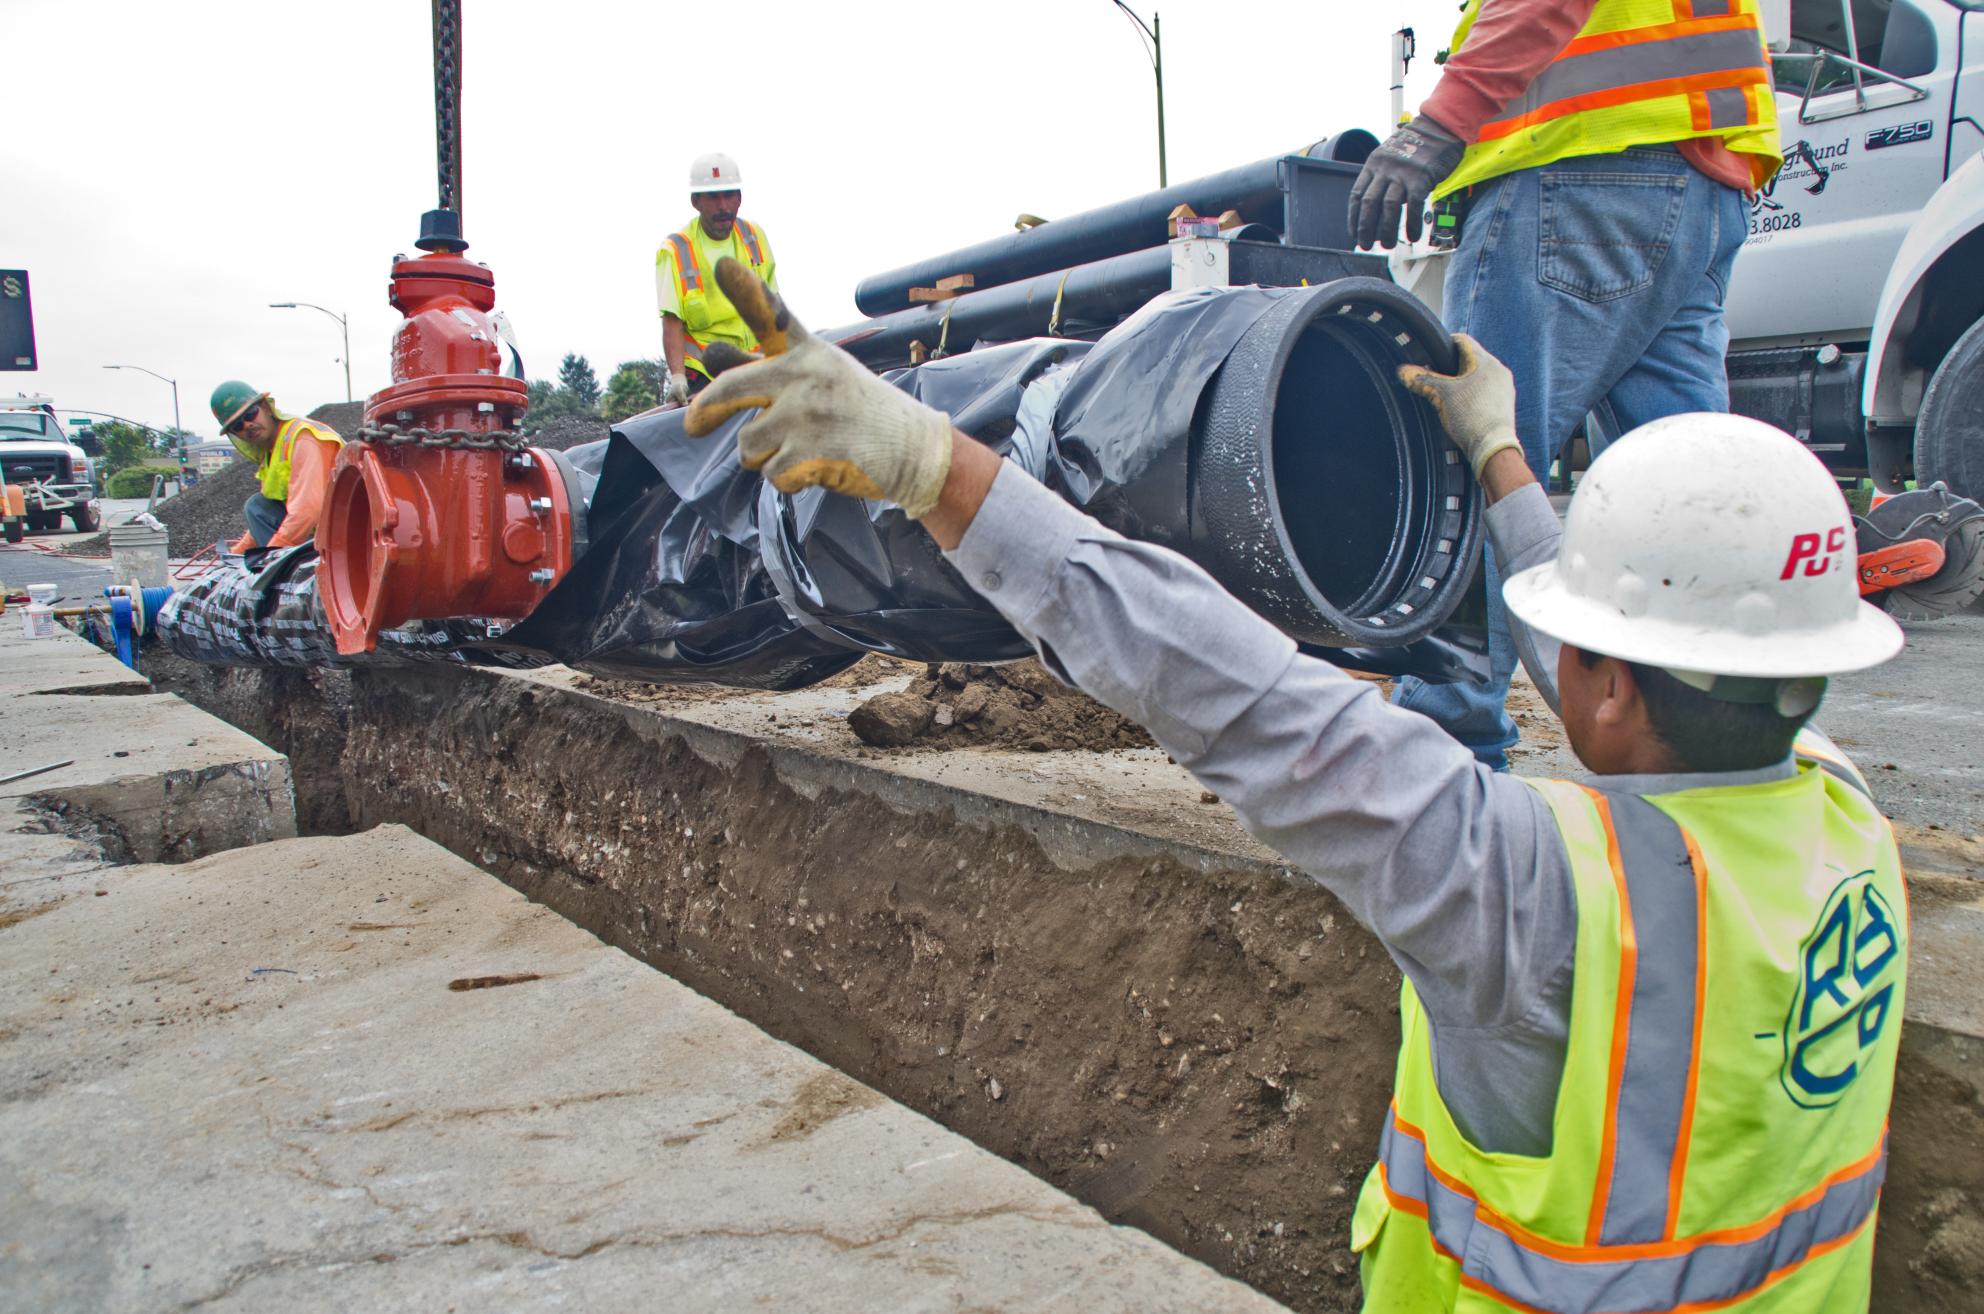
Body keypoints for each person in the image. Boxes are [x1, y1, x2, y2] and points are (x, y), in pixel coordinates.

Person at [685, 259, 1908, 1311]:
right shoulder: (1842, 813)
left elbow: (1221, 680)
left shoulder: (1527, 895)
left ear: (1605, 683)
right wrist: (1494, 455)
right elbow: (1628, 669)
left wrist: (929, 462)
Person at [1347, 0, 1784, 770]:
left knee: (1472, 451)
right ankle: (1718, 731)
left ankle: (1447, 747)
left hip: (1577, 174)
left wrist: (1439, 122)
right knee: (1686, 496)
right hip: (1701, 184)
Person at [654, 151, 778, 407]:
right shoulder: (676, 250)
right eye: (713, 197)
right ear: (696, 201)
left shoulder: (753, 237)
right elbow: (672, 321)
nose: (723, 206)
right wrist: (677, 378)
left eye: (729, 195)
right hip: (705, 374)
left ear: (740, 198)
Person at [210, 380, 343, 553]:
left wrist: (273, 555)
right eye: (237, 426)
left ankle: (286, 571)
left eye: (250, 414)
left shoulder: (302, 437)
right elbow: (267, 518)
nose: (247, 425)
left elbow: (307, 510)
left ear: (265, 407)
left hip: (346, 531)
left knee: (256, 507)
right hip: (323, 532)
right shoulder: (271, 454)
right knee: (257, 507)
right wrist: (237, 554)